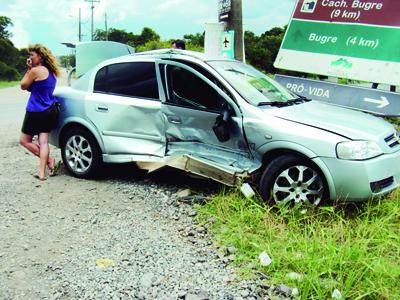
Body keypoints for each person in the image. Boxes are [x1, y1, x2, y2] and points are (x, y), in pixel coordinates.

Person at [20, 44, 61, 181]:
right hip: (49, 110)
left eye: (32, 55)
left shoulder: (35, 71)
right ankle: (42, 173)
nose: (29, 57)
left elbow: (23, 85)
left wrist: (29, 70)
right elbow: (33, 88)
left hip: (35, 110)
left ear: (40, 56)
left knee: (24, 140)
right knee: (43, 142)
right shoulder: (52, 71)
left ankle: (49, 160)